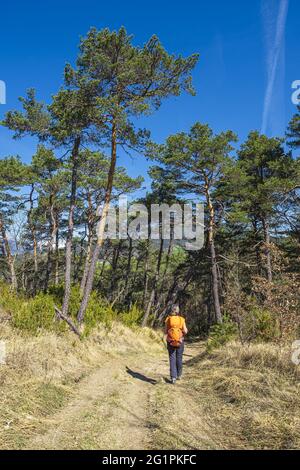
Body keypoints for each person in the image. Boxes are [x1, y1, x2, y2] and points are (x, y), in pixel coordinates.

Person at [164, 304, 188, 384]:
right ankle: (179, 375)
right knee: (179, 358)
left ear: (171, 310)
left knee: (172, 358)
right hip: (180, 341)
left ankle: (173, 377)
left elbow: (165, 331)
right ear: (178, 310)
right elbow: (185, 331)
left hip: (170, 341)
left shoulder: (168, 319)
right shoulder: (182, 319)